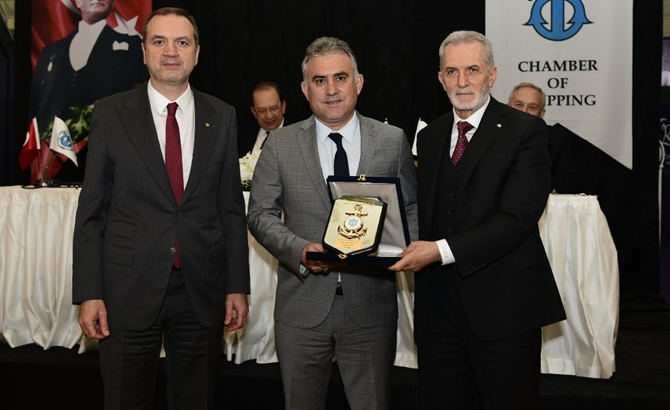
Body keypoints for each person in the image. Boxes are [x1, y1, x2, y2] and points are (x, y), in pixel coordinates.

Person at [72, 7, 250, 410]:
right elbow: (92, 213)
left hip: (201, 291)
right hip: (125, 290)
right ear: (144, 51)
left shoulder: (221, 116)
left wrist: (237, 286)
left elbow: (230, 210)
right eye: (159, 41)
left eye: (182, 42)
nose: (171, 51)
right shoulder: (110, 113)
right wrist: (89, 293)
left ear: (197, 53)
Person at [389, 31, 565, 410]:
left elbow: (517, 218)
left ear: (492, 75)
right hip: (439, 314)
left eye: (473, 69)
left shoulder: (525, 130)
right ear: (441, 79)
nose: (462, 81)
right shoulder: (430, 136)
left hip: (505, 310)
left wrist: (439, 251)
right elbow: (424, 211)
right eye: (452, 72)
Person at [247, 36, 418, 410]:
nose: (331, 90)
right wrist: (300, 250)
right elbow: (260, 214)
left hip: (370, 308)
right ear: (305, 89)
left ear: (358, 82)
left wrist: (403, 248)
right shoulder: (280, 144)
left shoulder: (391, 141)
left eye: (340, 78)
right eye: (320, 80)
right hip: (302, 307)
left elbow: (410, 208)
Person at [29, 0, 148, 181]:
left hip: (111, 161)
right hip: (56, 163)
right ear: (77, 2)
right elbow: (39, 106)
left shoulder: (132, 46)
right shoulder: (51, 52)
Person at [238, 81, 287, 157]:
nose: (269, 116)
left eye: (274, 108)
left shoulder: (298, 136)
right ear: (254, 112)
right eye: (262, 111)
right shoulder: (241, 138)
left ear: (283, 106)